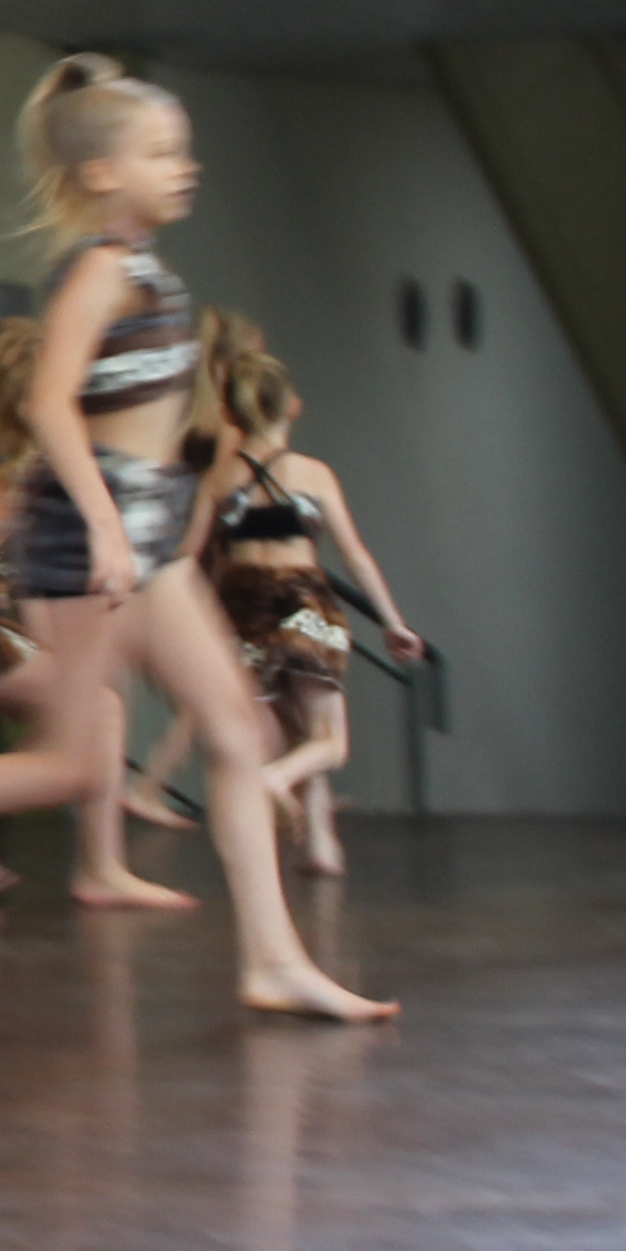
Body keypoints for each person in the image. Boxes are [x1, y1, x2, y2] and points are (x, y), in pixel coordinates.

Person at [0, 59, 394, 1020]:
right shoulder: (97, 273)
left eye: (182, 150)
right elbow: (48, 404)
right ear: (102, 173)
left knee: (237, 730)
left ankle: (273, 960)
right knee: (75, 762)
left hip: (143, 538)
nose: (185, 167)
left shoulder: (146, 269)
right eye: (161, 152)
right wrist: (109, 526)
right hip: (90, 539)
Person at [205, 353, 422, 879]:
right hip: (301, 603)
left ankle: (320, 844)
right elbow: (355, 555)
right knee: (329, 742)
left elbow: (203, 558)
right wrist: (391, 621)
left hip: (241, 606)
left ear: (231, 414)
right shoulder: (312, 474)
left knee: (297, 728)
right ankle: (274, 781)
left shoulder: (219, 478)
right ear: (292, 407)